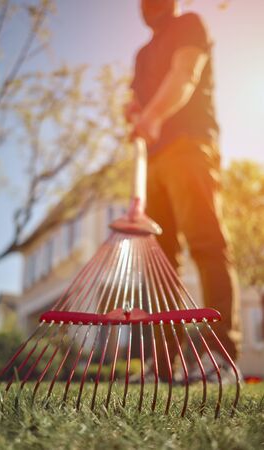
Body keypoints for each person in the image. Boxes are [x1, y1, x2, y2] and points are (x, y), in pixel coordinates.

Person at [125, 0, 241, 377]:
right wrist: (132, 113)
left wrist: (153, 116)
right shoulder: (142, 54)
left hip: (189, 145)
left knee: (206, 244)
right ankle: (162, 361)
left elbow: (185, 75)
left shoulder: (190, 24)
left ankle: (220, 352)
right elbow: (132, 100)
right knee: (161, 265)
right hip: (153, 162)